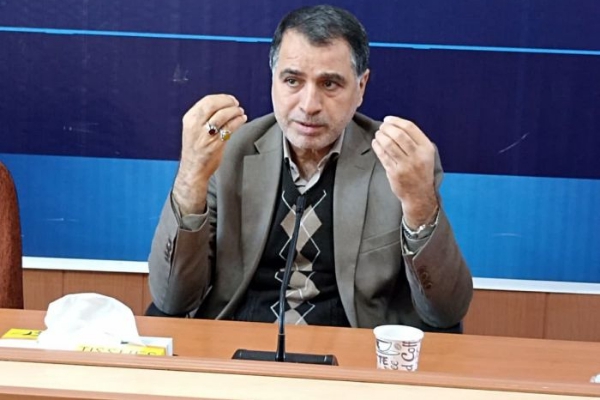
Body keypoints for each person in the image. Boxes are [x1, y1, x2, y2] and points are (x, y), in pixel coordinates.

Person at [147, 5, 472, 331]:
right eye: (292, 81)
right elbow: (171, 299)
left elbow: (445, 312)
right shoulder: (229, 151)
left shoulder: (397, 161)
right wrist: (190, 178)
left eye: (329, 84)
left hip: (352, 350)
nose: (309, 105)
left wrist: (419, 204)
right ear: (273, 80)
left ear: (361, 87)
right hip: (239, 341)